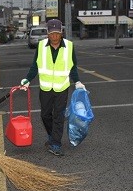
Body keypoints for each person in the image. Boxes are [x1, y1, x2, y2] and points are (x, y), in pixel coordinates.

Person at [19, 18, 85, 156]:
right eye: (52, 33)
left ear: (61, 33)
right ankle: (51, 135)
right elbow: (35, 66)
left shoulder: (69, 46)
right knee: (45, 115)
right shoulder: (41, 46)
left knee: (58, 116)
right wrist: (28, 79)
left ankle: (55, 143)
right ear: (47, 34)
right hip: (46, 88)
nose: (54, 36)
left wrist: (77, 82)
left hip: (62, 87)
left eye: (57, 33)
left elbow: (73, 66)